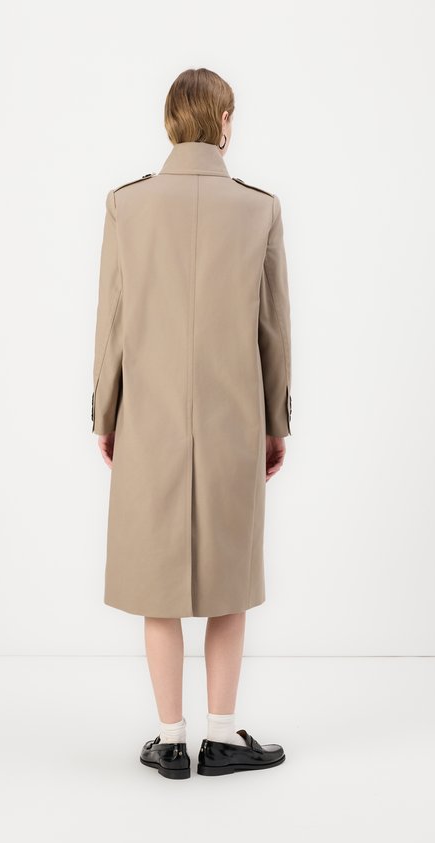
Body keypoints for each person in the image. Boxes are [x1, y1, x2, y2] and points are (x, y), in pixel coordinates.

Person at [90, 68, 292, 779]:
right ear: (224, 120)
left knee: (159, 583)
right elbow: (273, 331)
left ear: (171, 121)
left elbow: (113, 324)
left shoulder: (127, 204)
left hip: (149, 421)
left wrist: (106, 413)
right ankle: (225, 736)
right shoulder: (259, 209)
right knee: (229, 580)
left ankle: (171, 740)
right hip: (235, 420)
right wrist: (275, 423)